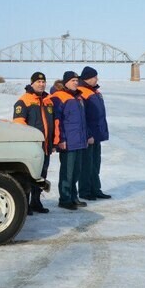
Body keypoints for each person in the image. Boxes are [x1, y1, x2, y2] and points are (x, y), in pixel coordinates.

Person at [13, 71, 54, 214]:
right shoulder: (24, 101)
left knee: (41, 176)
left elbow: (53, 122)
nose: (41, 84)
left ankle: (36, 202)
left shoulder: (48, 100)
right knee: (28, 176)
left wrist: (53, 142)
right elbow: (19, 124)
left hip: (46, 146)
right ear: (32, 83)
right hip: (31, 148)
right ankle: (25, 204)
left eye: (43, 82)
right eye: (38, 82)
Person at [51, 71, 90, 210]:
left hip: (79, 141)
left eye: (76, 80)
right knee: (67, 172)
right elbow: (57, 121)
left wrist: (85, 137)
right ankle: (65, 198)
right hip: (67, 141)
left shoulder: (78, 97)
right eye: (73, 80)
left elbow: (83, 121)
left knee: (76, 172)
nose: (75, 82)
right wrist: (60, 139)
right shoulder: (59, 97)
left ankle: (74, 197)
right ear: (66, 82)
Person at [77, 66, 112, 200]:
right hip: (89, 134)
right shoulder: (82, 92)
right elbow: (83, 116)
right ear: (88, 78)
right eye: (94, 77)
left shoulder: (95, 91)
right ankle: (85, 191)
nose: (97, 79)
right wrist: (88, 134)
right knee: (87, 164)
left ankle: (95, 189)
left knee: (96, 163)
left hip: (97, 133)